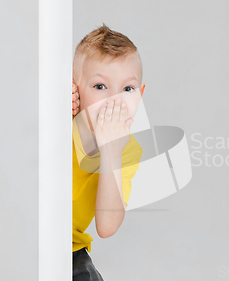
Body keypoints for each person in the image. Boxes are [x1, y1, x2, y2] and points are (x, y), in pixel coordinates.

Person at [71, 23, 145, 281]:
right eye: (100, 86)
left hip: (68, 246)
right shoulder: (62, 120)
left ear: (141, 95)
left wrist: (111, 150)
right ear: (75, 88)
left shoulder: (128, 149)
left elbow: (107, 226)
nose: (115, 100)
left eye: (127, 89)